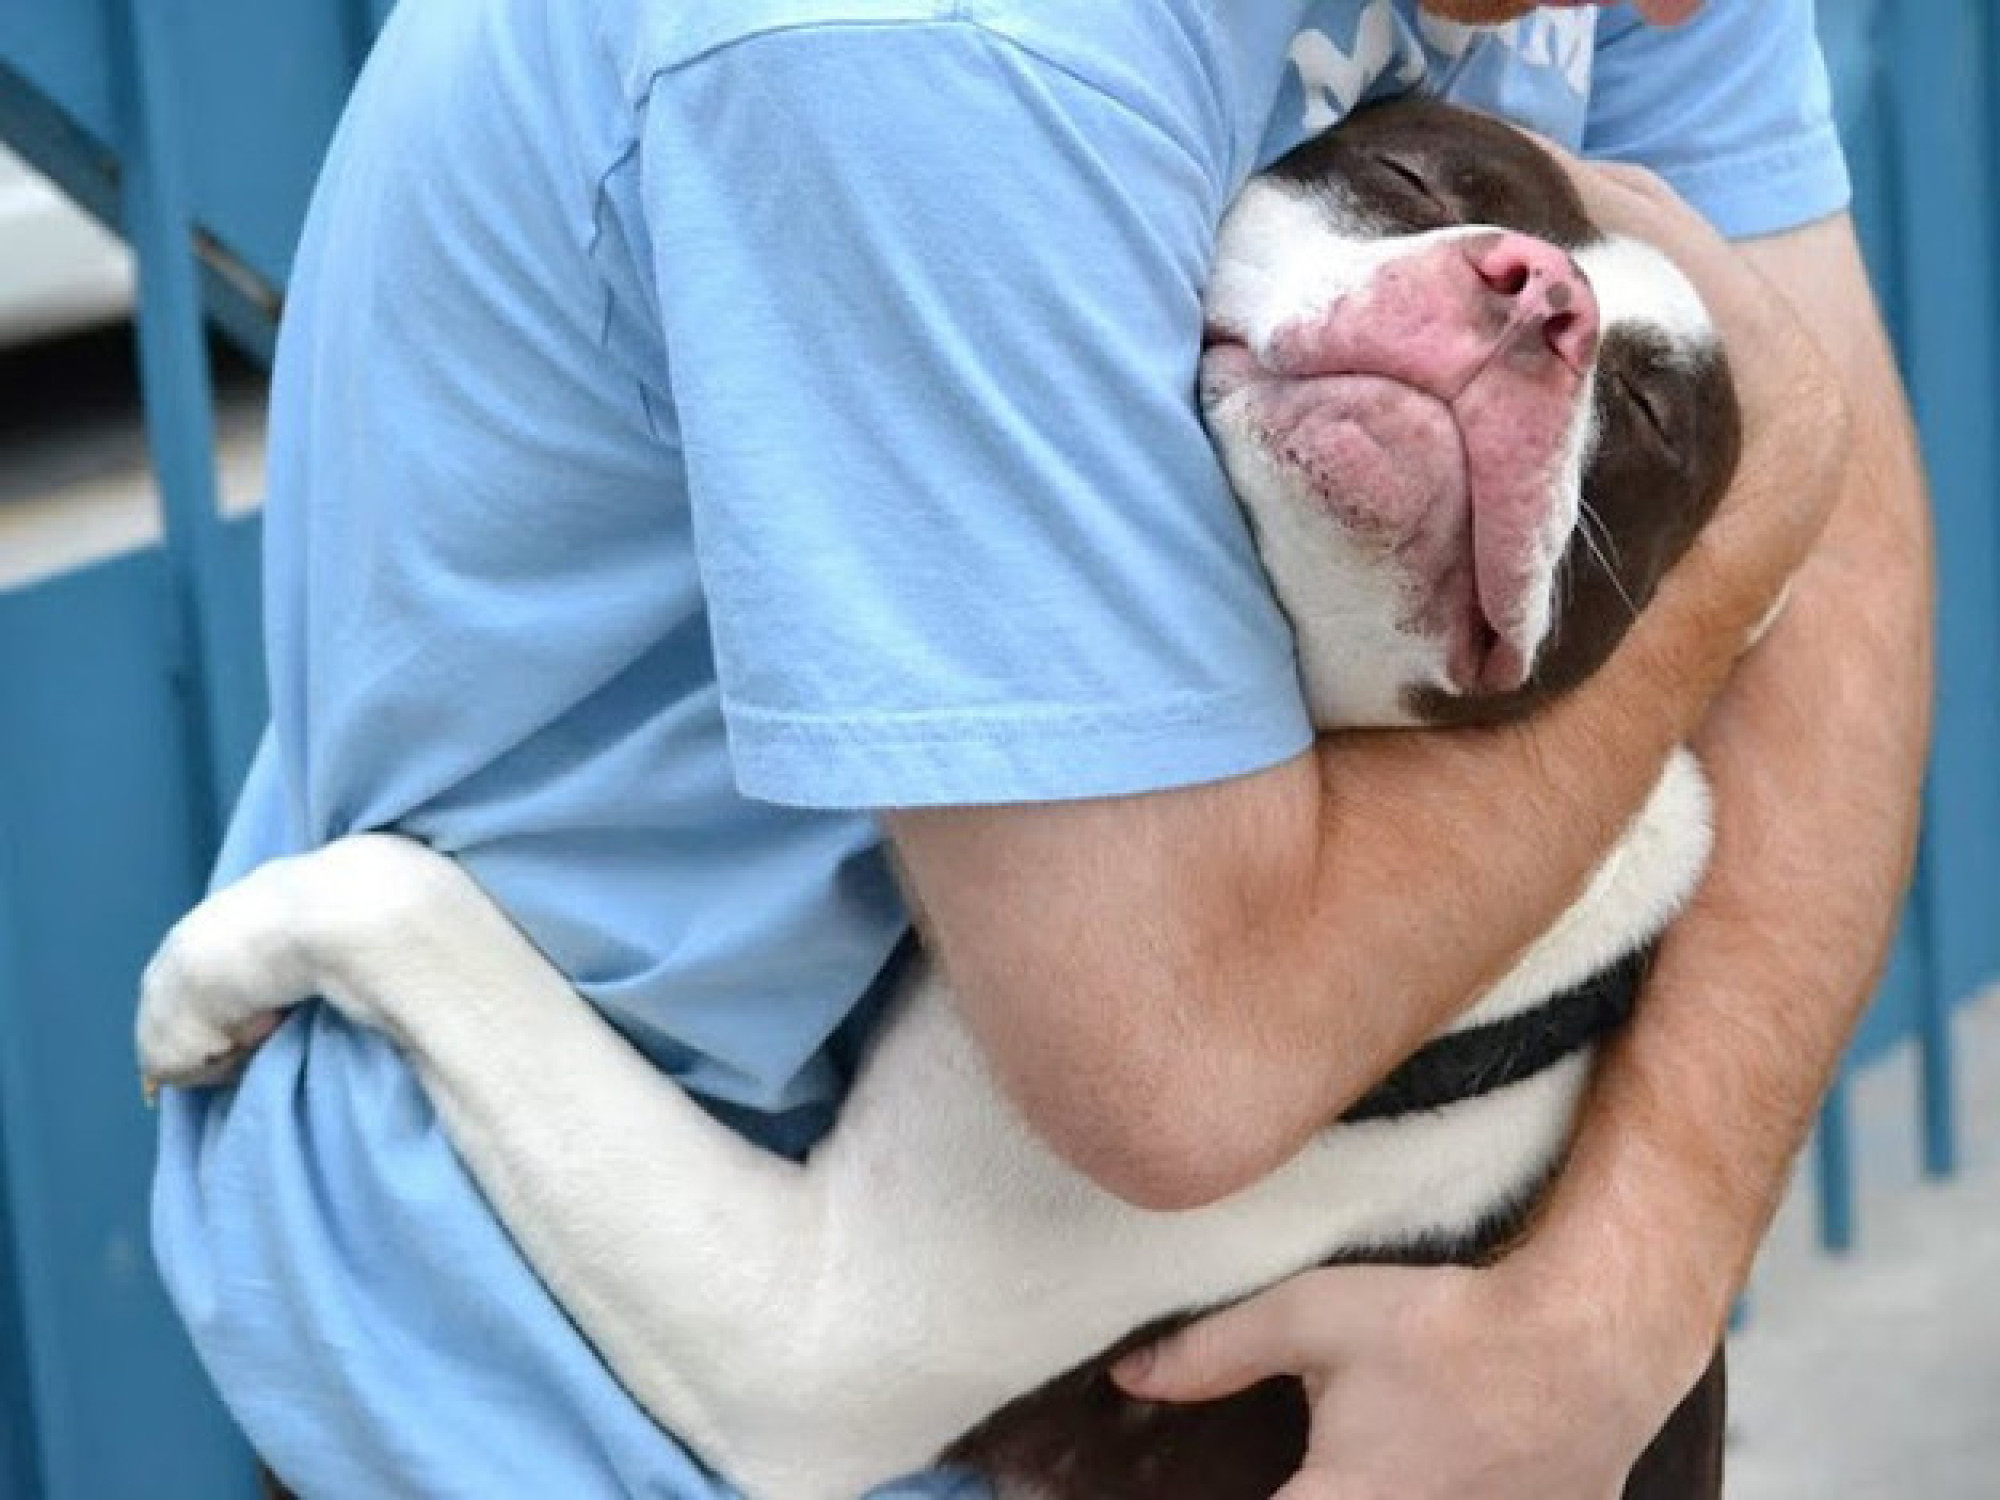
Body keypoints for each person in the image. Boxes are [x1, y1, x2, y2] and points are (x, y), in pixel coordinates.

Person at [149, 0, 1930, 1496]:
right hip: (577, 1376)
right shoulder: (934, 48)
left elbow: (1839, 596)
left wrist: (1623, 1296)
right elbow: (1183, 1064)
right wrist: (1750, 512)